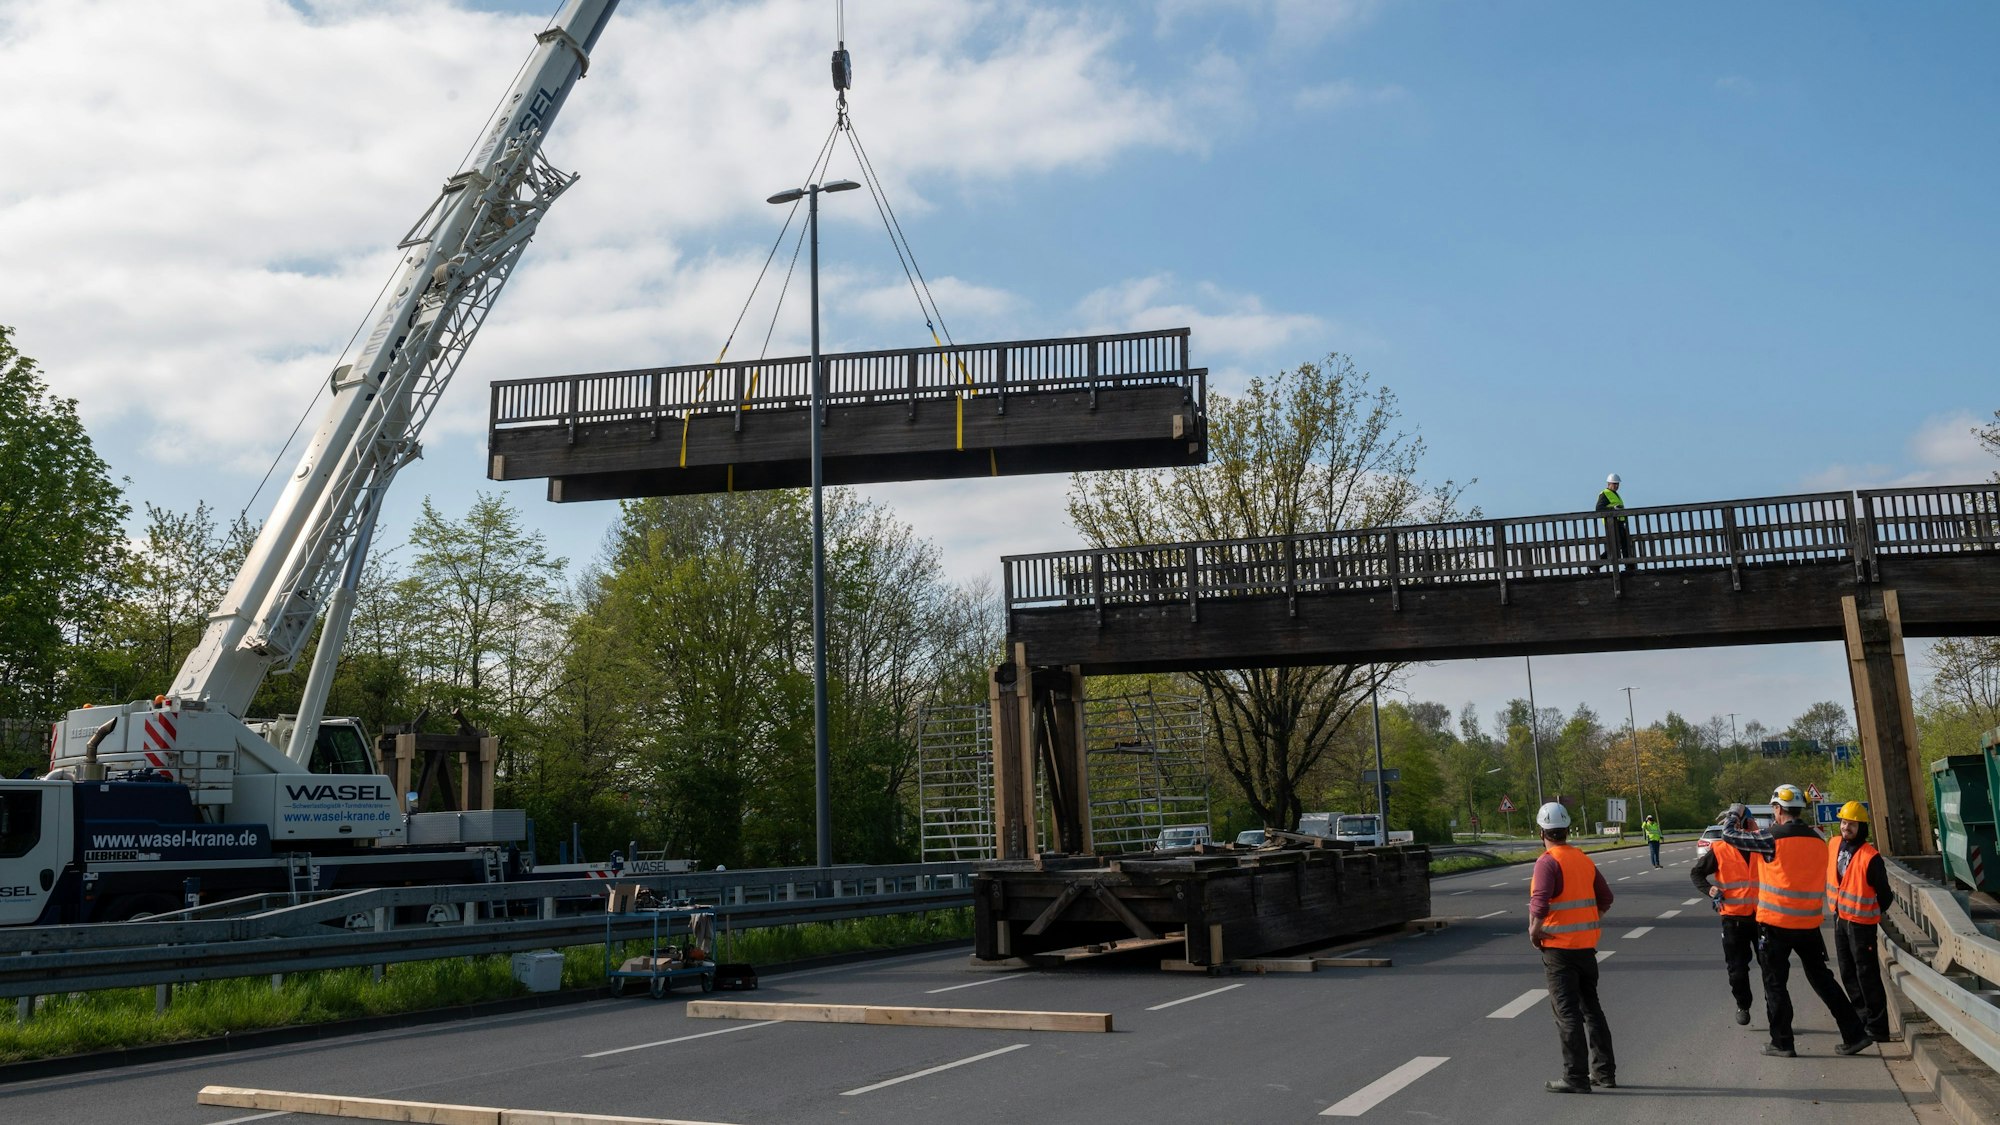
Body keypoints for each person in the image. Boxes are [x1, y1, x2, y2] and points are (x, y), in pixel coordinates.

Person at [1719, 784, 1873, 1057]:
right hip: (1808, 924)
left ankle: (1782, 1042)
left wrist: (1735, 813)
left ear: (1777, 809)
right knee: (1823, 980)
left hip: (1776, 925)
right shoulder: (1817, 838)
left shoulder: (1770, 837)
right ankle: (1855, 1033)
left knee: (1775, 983)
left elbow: (1729, 836)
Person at [1529, 801, 1616, 1093]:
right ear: (1566, 829)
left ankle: (1575, 1078)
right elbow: (1605, 897)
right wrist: (1589, 921)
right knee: (1592, 1010)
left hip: (1559, 951)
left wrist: (1534, 932)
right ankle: (1604, 1074)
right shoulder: (1582, 858)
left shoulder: (1547, 862)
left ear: (1541, 831)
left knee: (1567, 1014)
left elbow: (1539, 903)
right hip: (1586, 949)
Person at [1827, 800, 1894, 1042]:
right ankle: (1862, 1019)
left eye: (1852, 824)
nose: (1846, 827)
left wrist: (1870, 912)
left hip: (1861, 925)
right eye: (1844, 822)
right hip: (1840, 920)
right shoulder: (1834, 845)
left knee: (1867, 974)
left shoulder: (1870, 857)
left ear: (1862, 827)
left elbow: (1885, 896)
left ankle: (1878, 1027)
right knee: (1847, 972)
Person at [1690, 807, 1760, 1025]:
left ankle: (1777, 1017)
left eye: (1742, 823)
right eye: (1734, 823)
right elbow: (1697, 873)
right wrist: (1710, 890)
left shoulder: (1763, 845)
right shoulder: (1720, 849)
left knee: (1772, 970)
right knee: (1737, 970)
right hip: (1733, 920)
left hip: (1763, 919)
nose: (1738, 827)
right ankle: (1743, 1004)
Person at [1596, 473, 1633, 570]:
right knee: (1614, 548)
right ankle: (1594, 566)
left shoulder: (1615, 494)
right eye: (1614, 484)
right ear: (1609, 483)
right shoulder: (1605, 494)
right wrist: (1613, 509)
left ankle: (1629, 566)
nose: (1616, 486)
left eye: (1617, 484)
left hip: (1620, 524)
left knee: (1626, 544)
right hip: (1611, 524)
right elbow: (1599, 508)